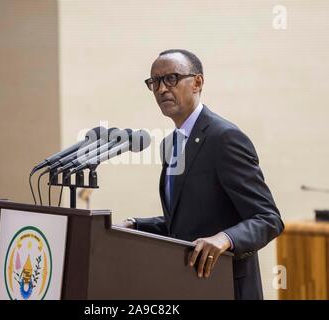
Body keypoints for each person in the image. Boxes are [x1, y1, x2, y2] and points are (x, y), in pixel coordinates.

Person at [118, 49, 284, 300]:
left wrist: (225, 238)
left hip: (226, 286)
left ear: (197, 82)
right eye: (155, 81)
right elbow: (185, 223)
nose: (162, 89)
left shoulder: (224, 138)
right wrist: (136, 225)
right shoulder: (171, 144)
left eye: (171, 78)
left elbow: (268, 219)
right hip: (188, 285)